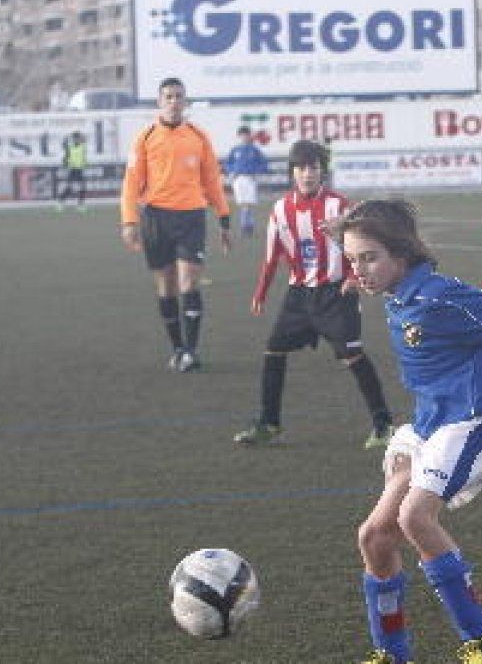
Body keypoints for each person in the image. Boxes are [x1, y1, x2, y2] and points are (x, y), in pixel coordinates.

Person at [334, 198, 482, 664]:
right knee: (374, 537)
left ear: (401, 255)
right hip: (429, 426)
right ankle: (392, 654)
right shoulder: (402, 293)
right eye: (352, 259)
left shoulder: (437, 296)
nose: (359, 269)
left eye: (369, 257)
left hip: (475, 424)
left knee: (415, 519)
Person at [232, 139, 393, 449]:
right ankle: (269, 423)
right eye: (302, 168)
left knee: (353, 356)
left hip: (336, 294)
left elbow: (362, 246)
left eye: (314, 168)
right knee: (273, 350)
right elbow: (272, 255)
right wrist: (260, 292)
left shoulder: (339, 207)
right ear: (292, 172)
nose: (308, 174)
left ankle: (383, 424)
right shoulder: (280, 210)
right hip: (299, 296)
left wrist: (353, 277)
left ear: (323, 172)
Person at [120, 77, 231, 373]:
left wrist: (224, 217)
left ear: (185, 101)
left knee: (188, 283)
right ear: (159, 101)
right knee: (166, 286)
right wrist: (129, 221)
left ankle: (192, 351)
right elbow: (131, 183)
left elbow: (212, 180)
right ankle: (178, 348)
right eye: (168, 96)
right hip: (155, 218)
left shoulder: (198, 136)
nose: (173, 101)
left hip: (191, 217)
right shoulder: (144, 137)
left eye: (178, 96)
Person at [223, 126, 269, 237]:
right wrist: (231, 171)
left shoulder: (254, 150)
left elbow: (263, 164)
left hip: (250, 178)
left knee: (248, 203)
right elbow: (227, 164)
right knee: (243, 203)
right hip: (238, 179)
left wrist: (257, 172)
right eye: (242, 135)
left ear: (250, 136)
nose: (244, 137)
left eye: (246, 135)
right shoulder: (235, 150)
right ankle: (247, 226)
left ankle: (246, 225)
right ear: (239, 136)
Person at [57, 131, 88, 214]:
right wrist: (66, 164)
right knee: (69, 188)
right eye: (76, 138)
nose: (77, 140)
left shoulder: (83, 147)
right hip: (72, 169)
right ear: (73, 139)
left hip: (80, 170)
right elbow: (65, 156)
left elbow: (85, 139)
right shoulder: (69, 147)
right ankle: (60, 202)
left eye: (78, 138)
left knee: (83, 188)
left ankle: (80, 205)